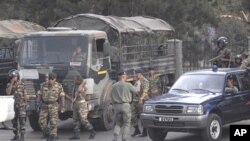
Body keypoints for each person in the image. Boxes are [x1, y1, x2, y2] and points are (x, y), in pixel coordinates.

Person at [37, 72, 65, 141]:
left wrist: (63, 106)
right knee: (41, 122)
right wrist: (37, 102)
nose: (50, 81)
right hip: (44, 105)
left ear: (55, 79)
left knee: (53, 122)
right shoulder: (43, 85)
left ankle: (53, 137)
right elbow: (39, 94)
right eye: (49, 79)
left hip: (53, 105)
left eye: (52, 79)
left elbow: (62, 96)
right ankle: (49, 133)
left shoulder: (58, 86)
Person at [110, 70, 137, 141]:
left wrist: (114, 105)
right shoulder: (128, 85)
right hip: (126, 106)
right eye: (126, 76)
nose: (127, 77)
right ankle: (124, 138)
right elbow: (136, 91)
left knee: (118, 123)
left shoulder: (113, 86)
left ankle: (115, 137)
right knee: (127, 123)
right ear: (123, 76)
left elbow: (111, 97)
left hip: (116, 106)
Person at [69, 75, 96, 140]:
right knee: (75, 120)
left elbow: (80, 90)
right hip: (76, 104)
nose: (74, 81)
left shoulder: (83, 86)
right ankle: (76, 135)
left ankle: (92, 131)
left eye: (75, 80)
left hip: (82, 104)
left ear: (79, 80)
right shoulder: (75, 86)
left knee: (83, 120)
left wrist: (82, 83)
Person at [6, 70, 28, 141]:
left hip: (21, 104)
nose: (14, 78)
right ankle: (16, 135)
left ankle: (22, 136)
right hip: (13, 105)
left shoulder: (22, 84)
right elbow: (8, 93)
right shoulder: (9, 84)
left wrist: (26, 103)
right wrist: (12, 83)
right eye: (13, 77)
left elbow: (25, 95)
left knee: (22, 120)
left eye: (15, 76)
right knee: (14, 121)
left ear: (18, 76)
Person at [131, 69, 149, 137]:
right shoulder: (136, 81)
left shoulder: (145, 81)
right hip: (135, 100)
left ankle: (145, 131)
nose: (136, 75)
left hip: (142, 101)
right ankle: (136, 130)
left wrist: (141, 98)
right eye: (136, 73)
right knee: (133, 116)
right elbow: (134, 90)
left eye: (137, 74)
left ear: (141, 74)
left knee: (142, 116)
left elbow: (145, 91)